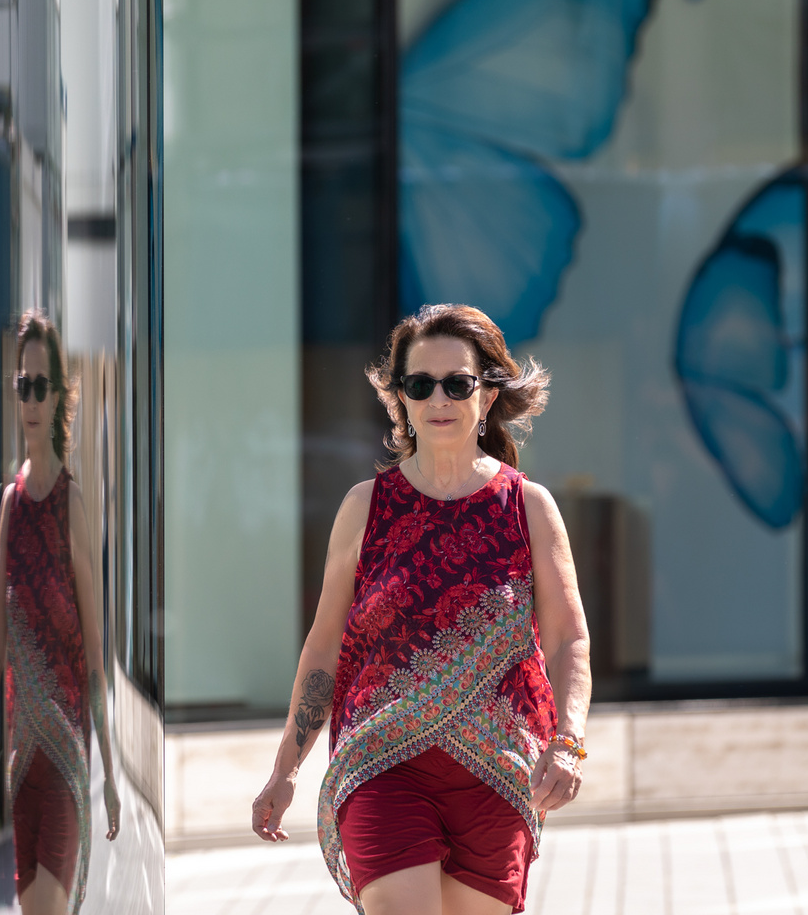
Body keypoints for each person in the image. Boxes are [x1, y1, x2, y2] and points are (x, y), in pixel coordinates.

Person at [252, 304, 591, 915]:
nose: (439, 398)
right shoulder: (365, 508)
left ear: (486, 397)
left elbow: (568, 638)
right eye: (419, 383)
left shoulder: (529, 508)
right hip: (383, 766)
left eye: (457, 383)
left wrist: (568, 743)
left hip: (497, 771)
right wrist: (286, 769)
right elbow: (325, 646)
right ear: (400, 399)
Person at [0, 309, 120, 915]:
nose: (30, 398)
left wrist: (110, 772)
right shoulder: (9, 503)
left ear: (60, 396)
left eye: (41, 385)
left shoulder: (72, 504)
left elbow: (94, 653)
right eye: (22, 385)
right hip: (19, 759)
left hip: (64, 758)